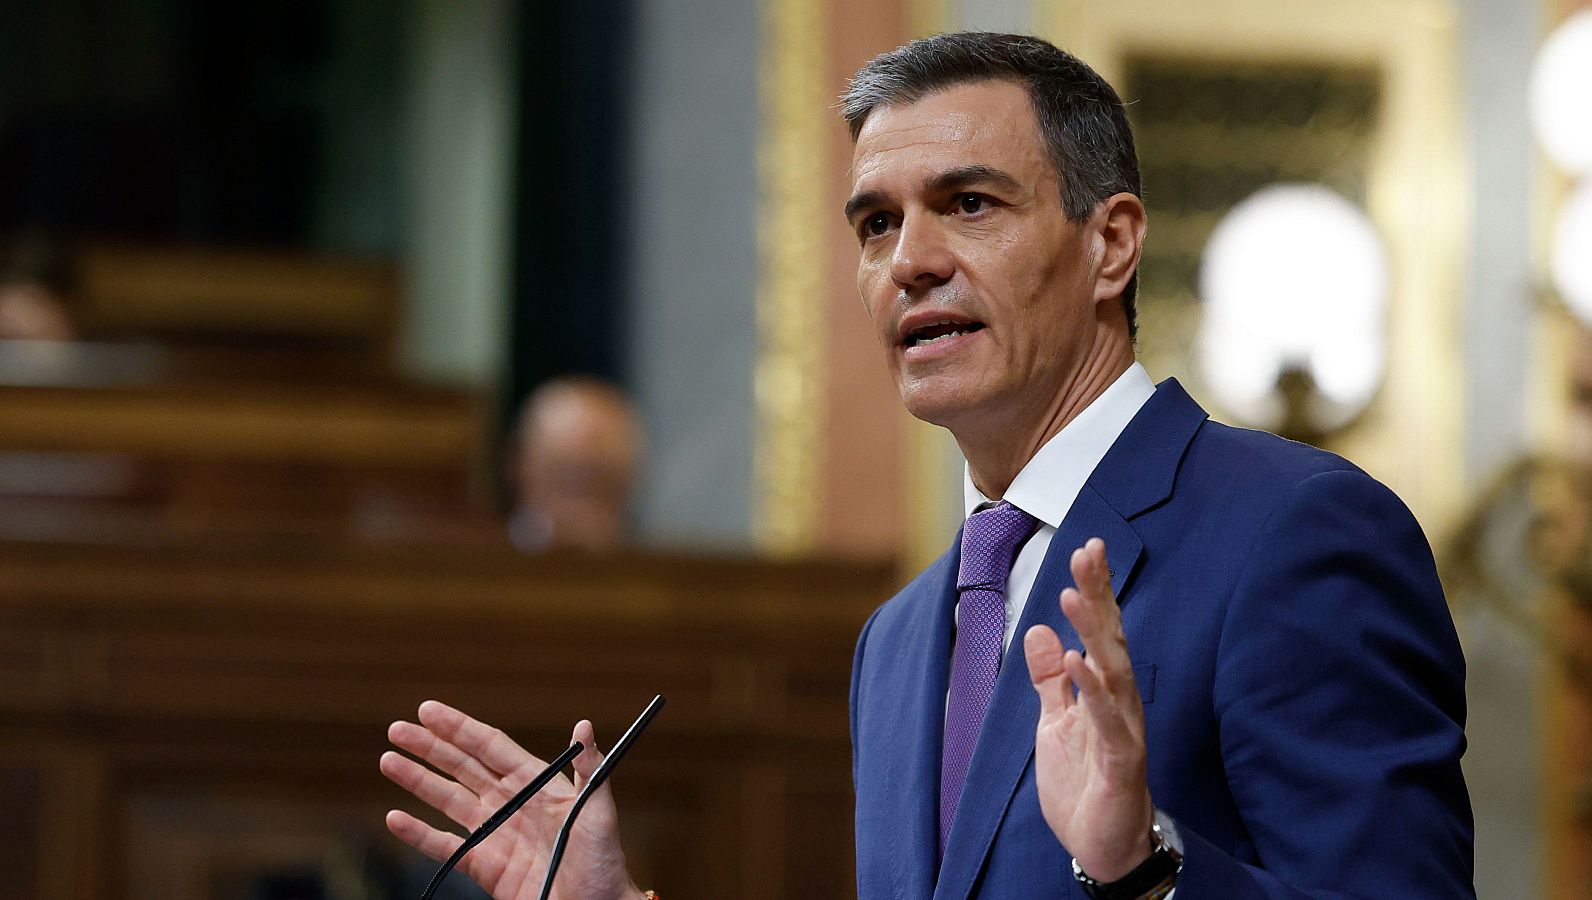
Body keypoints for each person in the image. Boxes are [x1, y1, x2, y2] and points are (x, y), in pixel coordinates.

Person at [380, 33, 1473, 899]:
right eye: (875, 223)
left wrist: (1143, 868)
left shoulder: (1295, 532)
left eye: (968, 204)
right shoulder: (900, 639)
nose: (909, 261)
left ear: (1111, 244)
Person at [505, 376, 642, 554]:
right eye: (565, 480)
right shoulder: (485, 561)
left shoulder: (658, 564)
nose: (579, 512)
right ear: (520, 467)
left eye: (600, 481)